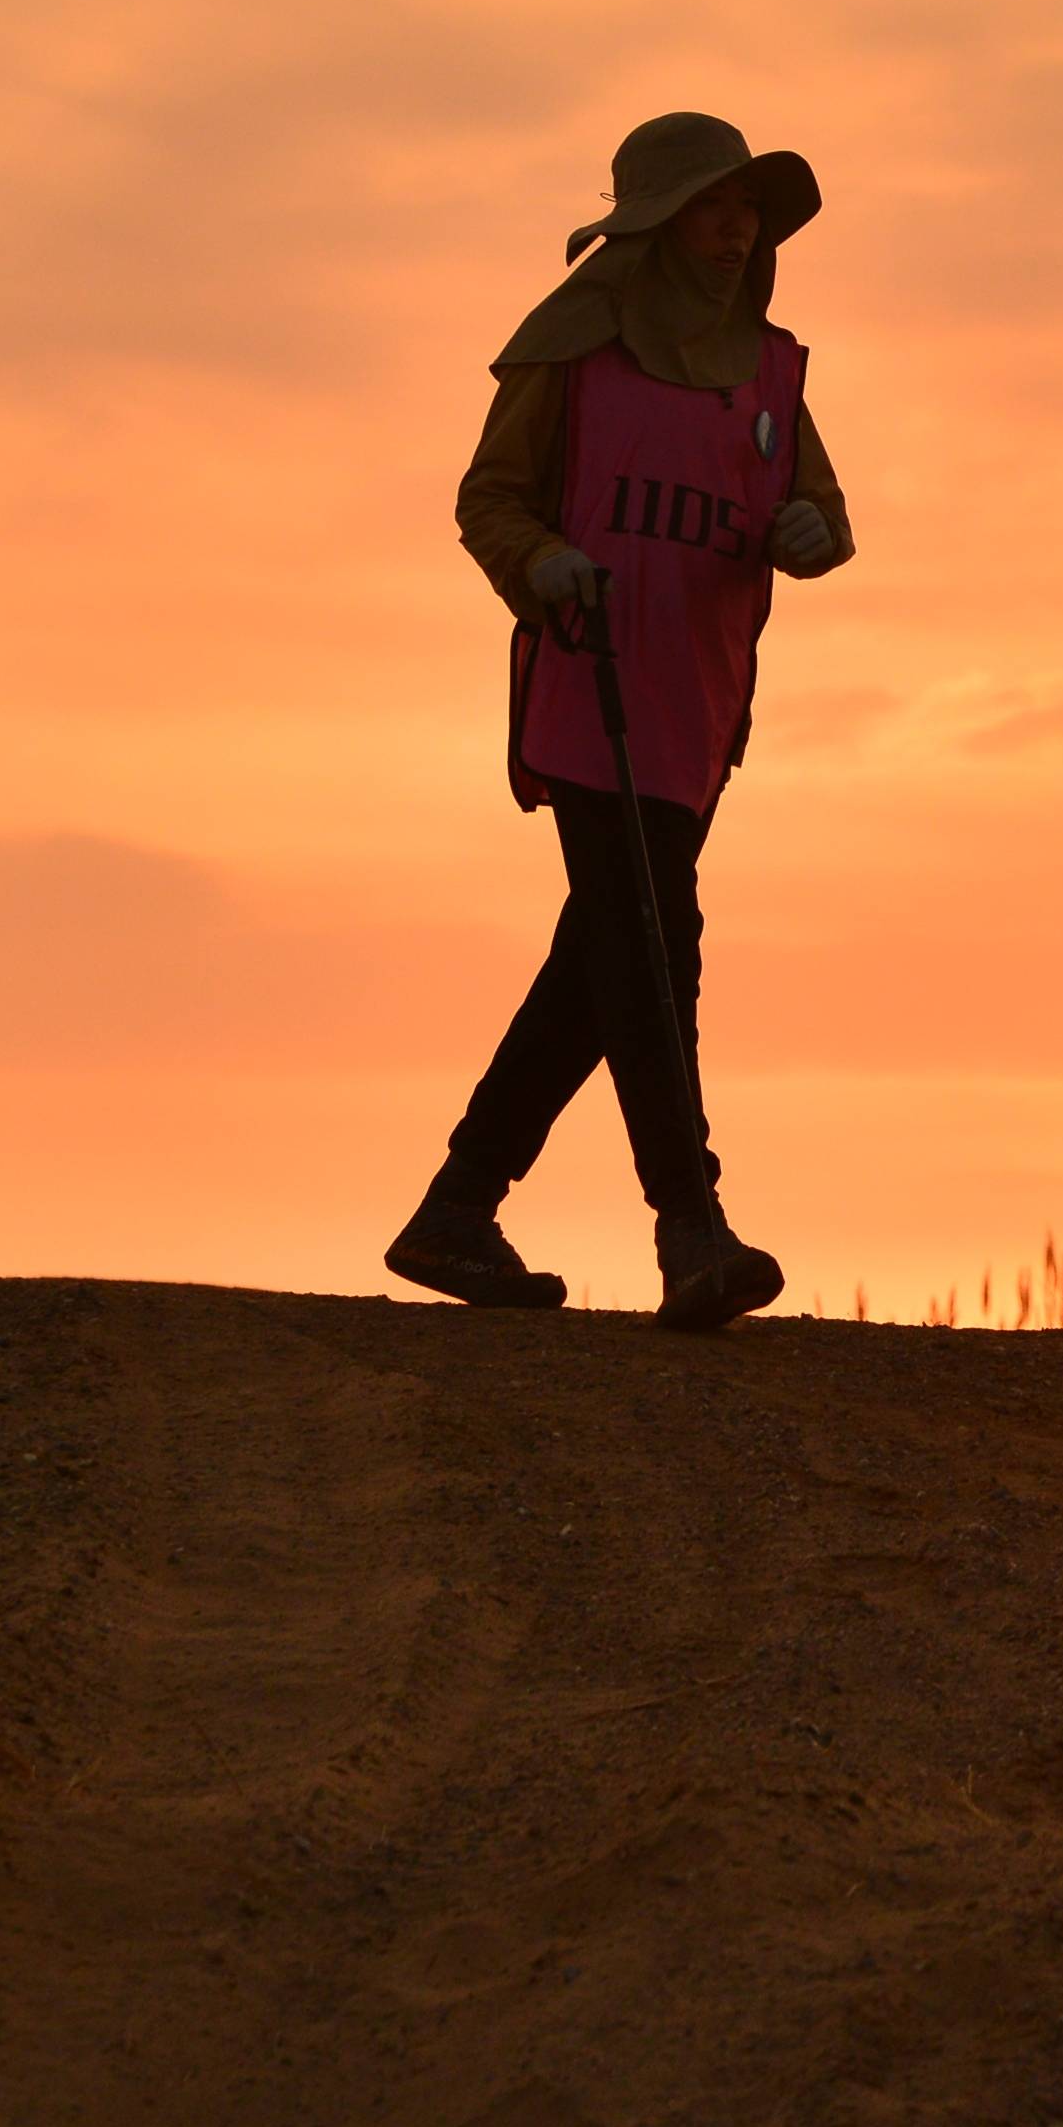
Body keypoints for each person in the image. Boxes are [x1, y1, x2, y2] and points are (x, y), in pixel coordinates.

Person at [392, 112, 855, 1330]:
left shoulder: (768, 370)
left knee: (605, 961)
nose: (734, 231)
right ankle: (689, 1225)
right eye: (713, 208)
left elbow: (819, 511)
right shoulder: (568, 352)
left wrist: (811, 535)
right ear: (655, 223)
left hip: (697, 714)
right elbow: (489, 497)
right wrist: (542, 562)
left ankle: (456, 1206)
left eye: (746, 211)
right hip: (585, 695)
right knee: (656, 946)